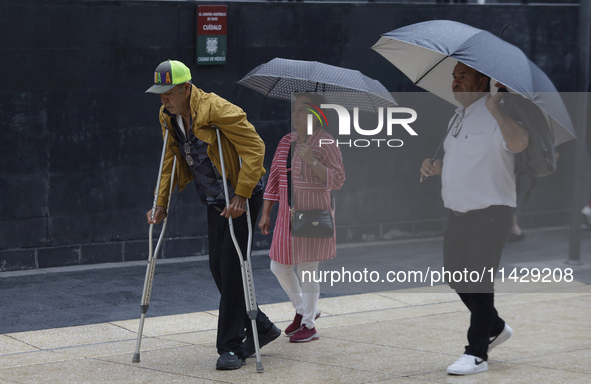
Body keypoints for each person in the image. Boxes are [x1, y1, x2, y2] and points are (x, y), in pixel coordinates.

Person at [144, 59, 280, 370]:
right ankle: (261, 326)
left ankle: (230, 347)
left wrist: (243, 193)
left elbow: (255, 148)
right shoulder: (169, 116)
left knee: (232, 268)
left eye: (168, 92)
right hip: (213, 197)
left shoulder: (217, 109)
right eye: (160, 93)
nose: (163, 98)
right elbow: (170, 159)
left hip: (241, 196)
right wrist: (160, 202)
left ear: (185, 88)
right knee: (217, 267)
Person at [420, 62, 529, 375]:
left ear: (483, 82)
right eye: (453, 77)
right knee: (457, 278)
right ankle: (494, 326)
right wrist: (438, 167)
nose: (454, 82)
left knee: (479, 284)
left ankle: (477, 353)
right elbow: (466, 160)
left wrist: (495, 106)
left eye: (462, 76)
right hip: (458, 214)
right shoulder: (458, 116)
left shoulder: (499, 113)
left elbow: (519, 143)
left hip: (491, 214)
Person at [258, 93, 345, 342]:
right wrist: (266, 213)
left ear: (317, 114)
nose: (296, 115)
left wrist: (312, 160)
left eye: (303, 110)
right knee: (278, 266)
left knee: (308, 269)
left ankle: (308, 324)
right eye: (295, 110)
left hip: (314, 214)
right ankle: (304, 309)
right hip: (287, 214)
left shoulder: (327, 142)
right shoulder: (286, 141)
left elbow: (338, 181)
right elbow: (274, 178)